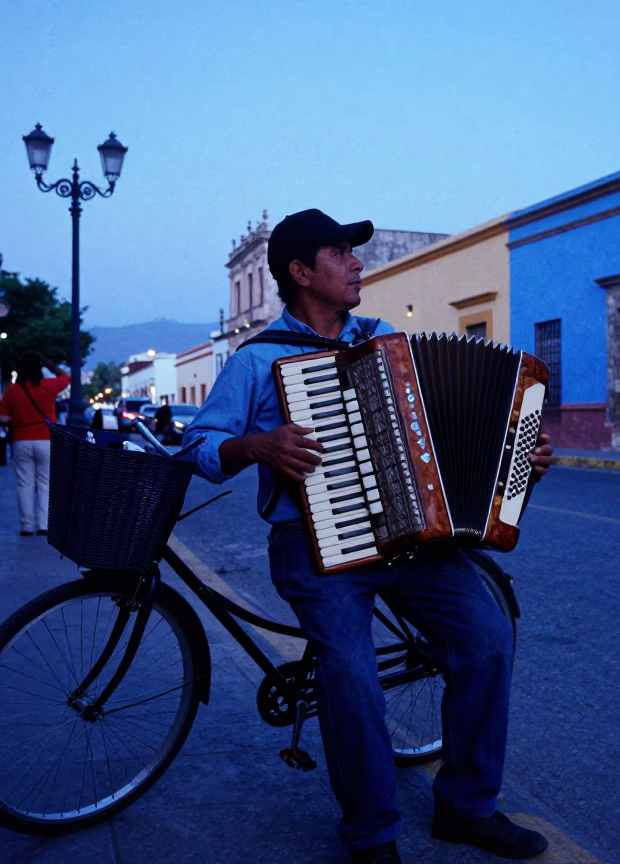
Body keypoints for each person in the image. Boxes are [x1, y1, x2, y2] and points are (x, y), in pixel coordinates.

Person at [185, 209, 554, 864]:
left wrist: (517, 456)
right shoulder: (256, 360)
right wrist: (258, 445)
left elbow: (442, 440)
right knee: (350, 673)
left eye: (354, 254)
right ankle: (371, 835)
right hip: (314, 546)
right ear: (301, 273)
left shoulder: (387, 340)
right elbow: (200, 445)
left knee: (490, 641)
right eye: (340, 253)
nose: (358, 263)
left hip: (412, 539)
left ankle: (466, 806)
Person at [0, 353, 70, 536]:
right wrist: (51, 364)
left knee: (24, 483)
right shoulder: (48, 387)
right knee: (45, 482)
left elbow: (3, 418)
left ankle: (26, 526)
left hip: (21, 440)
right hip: (46, 440)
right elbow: (66, 378)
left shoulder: (12, 391)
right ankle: (44, 525)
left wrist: (19, 419)